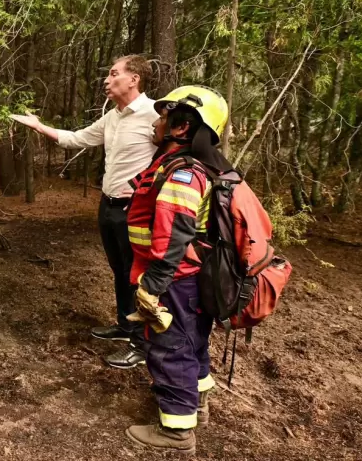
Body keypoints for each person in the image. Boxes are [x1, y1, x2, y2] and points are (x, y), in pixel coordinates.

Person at [13, 55, 158, 368]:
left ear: (134, 79)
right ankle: (125, 325)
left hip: (136, 211)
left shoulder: (155, 114)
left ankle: (142, 343)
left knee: (137, 275)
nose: (107, 80)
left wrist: (149, 194)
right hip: (108, 206)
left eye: (114, 73)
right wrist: (39, 126)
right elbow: (76, 139)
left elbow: (172, 159)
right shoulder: (112, 117)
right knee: (120, 270)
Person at [122, 86, 231, 453]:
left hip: (175, 280)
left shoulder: (184, 173)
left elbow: (173, 235)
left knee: (171, 349)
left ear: (182, 126)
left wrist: (152, 286)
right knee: (192, 343)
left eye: (164, 117)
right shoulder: (181, 165)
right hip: (188, 278)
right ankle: (196, 405)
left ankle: (176, 433)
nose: (156, 124)